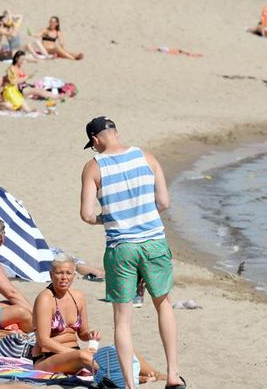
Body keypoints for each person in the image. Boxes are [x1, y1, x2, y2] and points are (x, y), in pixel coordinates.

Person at [79, 117, 186, 389]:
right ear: (115, 133)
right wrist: (143, 214)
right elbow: (163, 201)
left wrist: (108, 218)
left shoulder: (94, 167)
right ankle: (173, 374)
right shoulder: (146, 157)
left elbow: (87, 214)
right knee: (163, 304)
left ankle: (129, 385)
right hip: (153, 242)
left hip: (121, 246)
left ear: (95, 141)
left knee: (122, 319)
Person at [30, 255, 101, 374]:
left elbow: (82, 334)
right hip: (47, 357)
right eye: (59, 273)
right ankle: (115, 376)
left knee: (120, 353)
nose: (64, 277)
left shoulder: (78, 297)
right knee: (84, 357)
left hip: (75, 354)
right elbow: (44, 341)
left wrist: (91, 335)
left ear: (74, 275)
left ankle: (128, 374)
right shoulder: (46, 299)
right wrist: (73, 353)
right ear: (51, 275)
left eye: (68, 273)